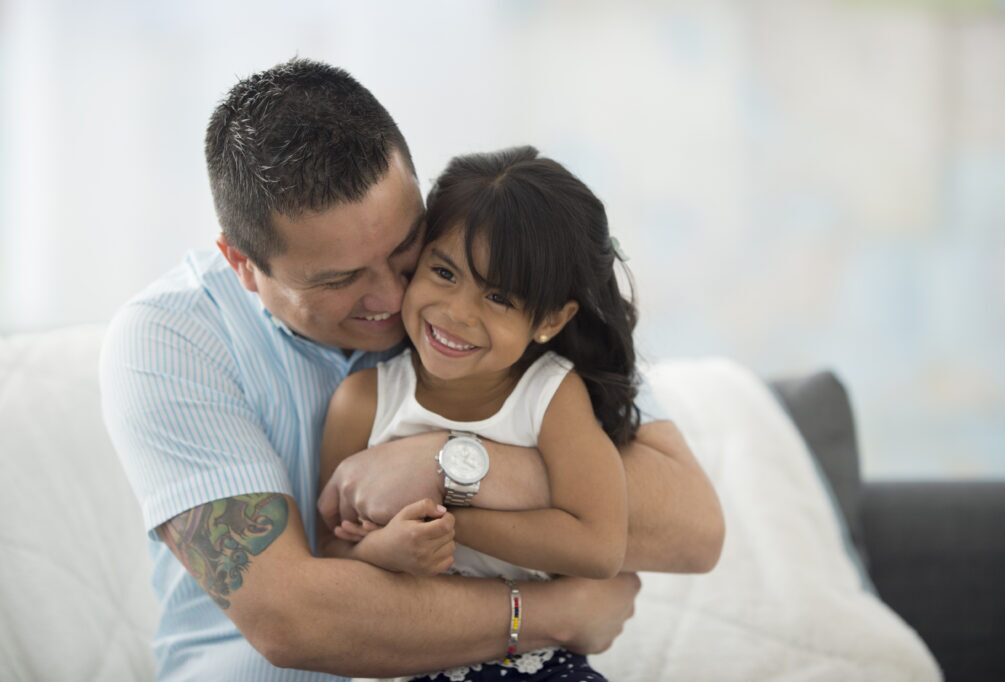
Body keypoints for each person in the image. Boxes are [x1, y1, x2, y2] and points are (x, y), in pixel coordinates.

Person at [99, 58, 724, 682]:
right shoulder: (171, 339)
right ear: (241, 263)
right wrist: (551, 612)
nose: (394, 301)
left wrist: (445, 465)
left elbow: (692, 530)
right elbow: (294, 621)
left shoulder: (480, 280)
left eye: (406, 249)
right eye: (341, 280)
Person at [318, 146, 640, 681]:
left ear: (551, 320)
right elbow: (328, 548)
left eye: (499, 297)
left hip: (534, 661)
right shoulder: (364, 400)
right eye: (443, 272)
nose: (457, 312)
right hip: (404, 664)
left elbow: (599, 545)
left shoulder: (551, 394)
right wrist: (383, 549)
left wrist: (453, 523)